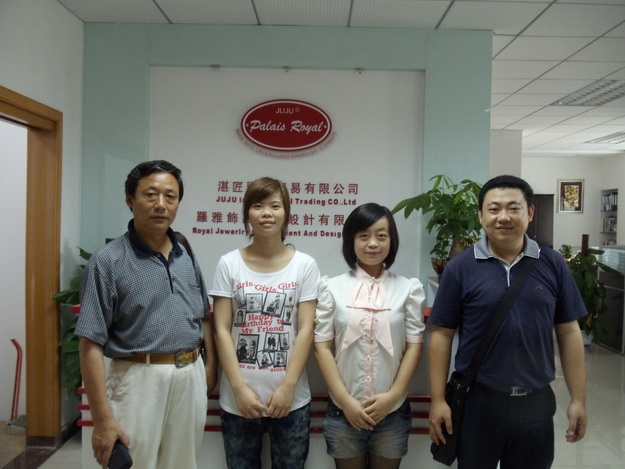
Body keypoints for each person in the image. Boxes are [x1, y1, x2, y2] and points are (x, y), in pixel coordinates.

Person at [428, 175, 588, 469]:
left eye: (514, 208)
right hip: (478, 402)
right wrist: (438, 400)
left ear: (530, 212)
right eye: (494, 209)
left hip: (535, 402)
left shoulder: (552, 264)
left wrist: (578, 399)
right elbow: (441, 333)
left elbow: (568, 332)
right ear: (480, 215)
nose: (503, 217)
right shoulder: (460, 268)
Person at [75, 160, 217, 469]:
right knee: (137, 463)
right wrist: (102, 420)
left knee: (183, 464)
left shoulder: (184, 252)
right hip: (138, 378)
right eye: (150, 195)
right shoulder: (108, 261)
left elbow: (202, 314)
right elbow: (90, 344)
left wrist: (209, 365)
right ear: (130, 199)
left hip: (189, 376)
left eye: (170, 196)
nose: (161, 204)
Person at [209, 176, 320, 469]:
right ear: (247, 214)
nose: (266, 213)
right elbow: (221, 329)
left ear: (286, 213)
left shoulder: (305, 265)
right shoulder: (229, 264)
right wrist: (238, 389)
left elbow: (306, 329)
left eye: (275, 206)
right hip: (239, 399)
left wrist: (288, 387)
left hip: (291, 398)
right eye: (258, 206)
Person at [314, 203, 426, 469]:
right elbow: (321, 347)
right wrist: (345, 401)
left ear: (392, 240)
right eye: (364, 236)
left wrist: (393, 396)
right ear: (351, 240)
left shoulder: (408, 289)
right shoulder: (332, 288)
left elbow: (414, 347)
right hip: (343, 410)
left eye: (381, 235)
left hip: (392, 411)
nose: (373, 243)